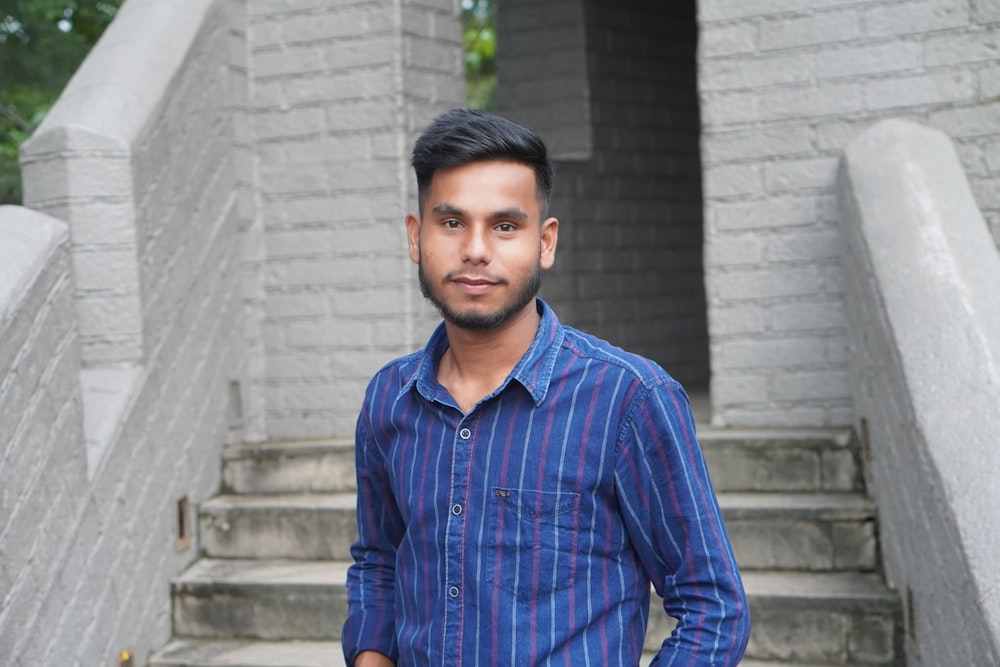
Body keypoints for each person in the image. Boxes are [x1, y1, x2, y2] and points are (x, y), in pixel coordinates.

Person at [342, 108, 749, 666]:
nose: (477, 249)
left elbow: (712, 606)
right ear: (417, 236)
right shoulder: (390, 397)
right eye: (452, 222)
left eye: (505, 226)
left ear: (546, 241)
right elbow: (380, 561)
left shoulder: (626, 398)